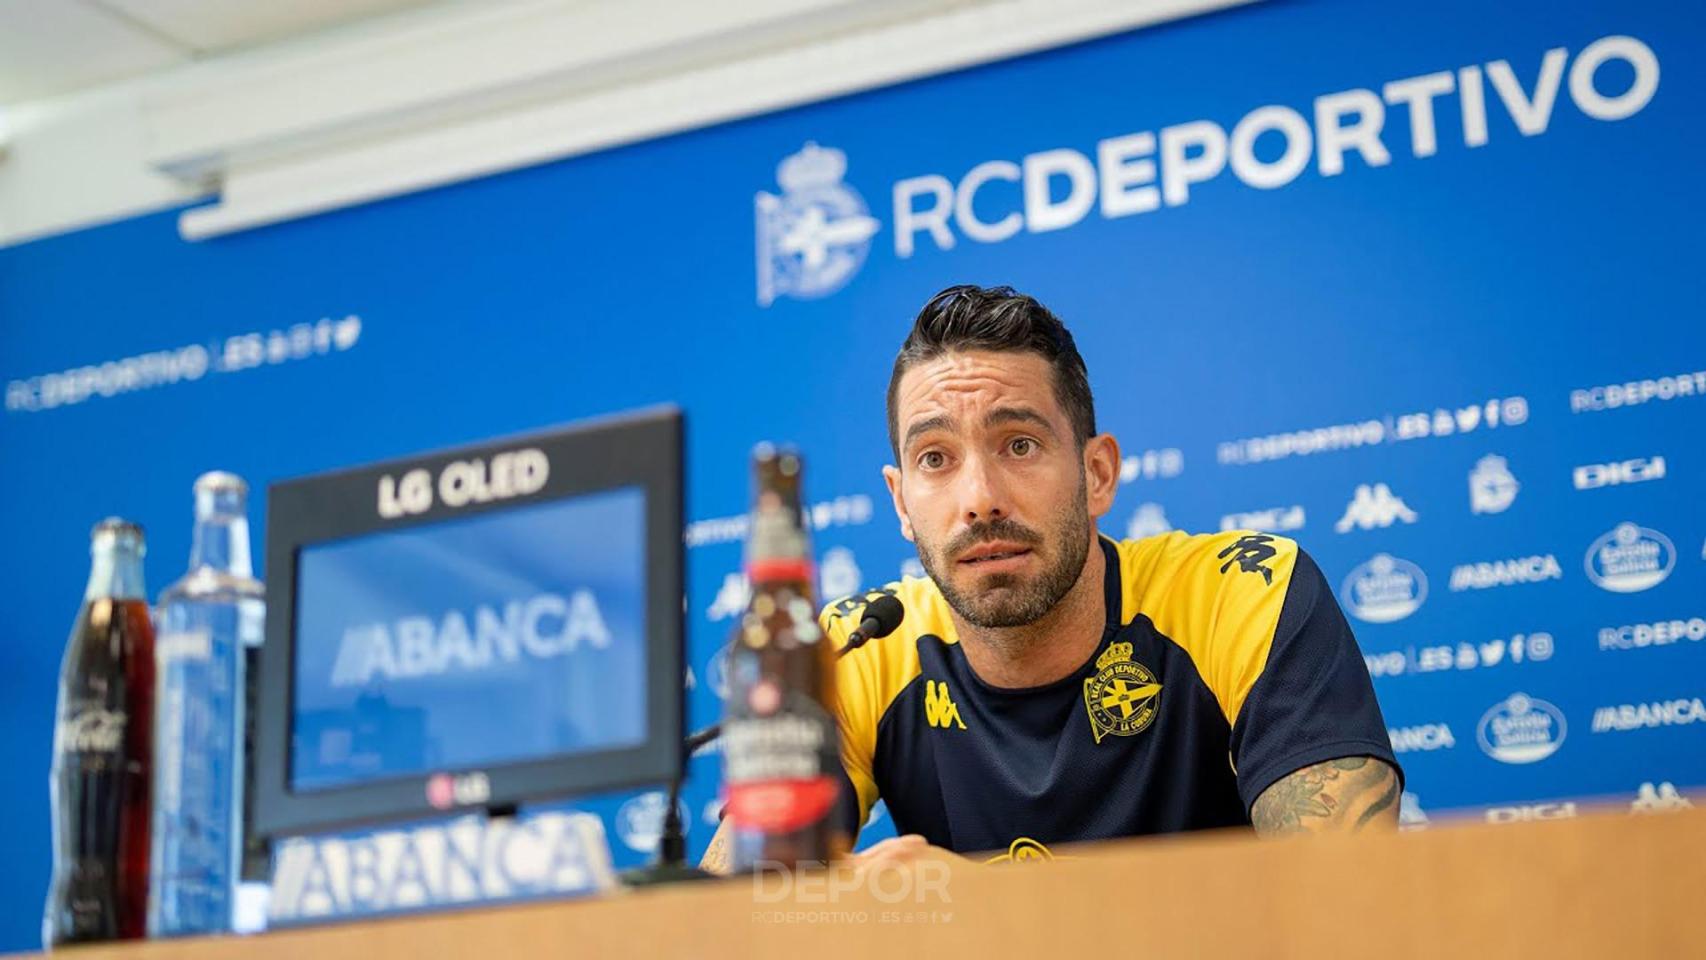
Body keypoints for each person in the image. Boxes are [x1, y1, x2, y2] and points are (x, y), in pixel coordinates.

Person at [703, 284, 1400, 872]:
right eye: (936, 459)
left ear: (1097, 474)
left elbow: (1347, 903)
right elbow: (720, 924)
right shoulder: (851, 648)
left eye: (1021, 444)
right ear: (901, 504)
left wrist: (999, 917)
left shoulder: (1245, 594)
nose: (979, 496)